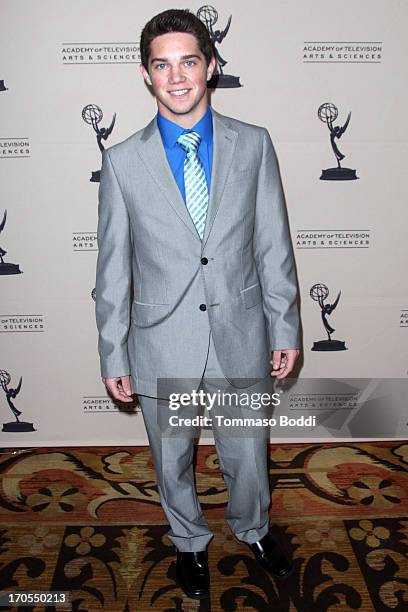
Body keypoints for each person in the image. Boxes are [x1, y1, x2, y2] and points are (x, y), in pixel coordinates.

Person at [95, 8, 301, 600]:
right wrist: (114, 353)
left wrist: (284, 325)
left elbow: (273, 244)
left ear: (211, 65)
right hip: (161, 339)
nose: (177, 77)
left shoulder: (254, 145)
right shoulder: (122, 162)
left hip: (241, 331)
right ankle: (188, 542)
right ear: (145, 74)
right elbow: (111, 268)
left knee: (247, 450)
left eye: (189, 61)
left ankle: (253, 529)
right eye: (163, 65)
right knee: (172, 459)